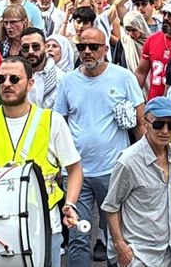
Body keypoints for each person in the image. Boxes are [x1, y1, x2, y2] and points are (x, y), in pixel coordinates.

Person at [0, 56, 82, 267]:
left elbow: (74, 169)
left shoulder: (52, 121)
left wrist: (69, 204)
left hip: (44, 225)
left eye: (14, 79)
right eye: (1, 79)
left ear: (30, 83)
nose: (7, 84)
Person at [54, 27, 145, 267]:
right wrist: (57, 163)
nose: (87, 51)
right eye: (81, 47)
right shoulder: (67, 81)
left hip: (114, 171)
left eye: (93, 47)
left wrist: (146, 160)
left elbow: (140, 122)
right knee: (78, 235)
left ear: (105, 49)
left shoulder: (123, 77)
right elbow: (59, 125)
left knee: (118, 235)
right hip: (76, 173)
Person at [102, 97, 171, 267]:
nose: (165, 131)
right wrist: (120, 246)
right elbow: (111, 207)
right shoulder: (128, 161)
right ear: (145, 123)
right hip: (140, 256)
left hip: (170, 253)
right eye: (158, 124)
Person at [20, 27, 63, 109]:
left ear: (45, 47)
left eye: (35, 46)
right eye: (25, 47)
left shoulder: (60, 78)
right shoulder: (15, 76)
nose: (30, 51)